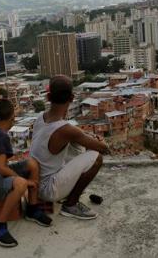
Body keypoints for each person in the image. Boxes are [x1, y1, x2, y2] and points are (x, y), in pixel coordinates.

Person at [0, 99, 52, 248]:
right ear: (12, 118)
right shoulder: (1, 136)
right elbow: (2, 169)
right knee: (21, 184)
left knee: (32, 164)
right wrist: (26, 181)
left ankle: (32, 209)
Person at [30, 75, 108, 220]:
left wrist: (85, 137)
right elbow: (103, 148)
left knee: (77, 143)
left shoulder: (41, 116)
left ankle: (68, 193)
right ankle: (71, 204)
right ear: (72, 98)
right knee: (96, 157)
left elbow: (71, 133)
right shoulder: (66, 129)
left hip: (34, 184)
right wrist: (99, 140)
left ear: (48, 97)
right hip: (48, 190)